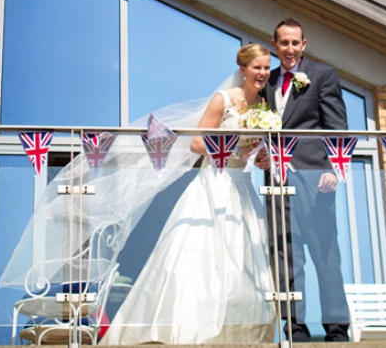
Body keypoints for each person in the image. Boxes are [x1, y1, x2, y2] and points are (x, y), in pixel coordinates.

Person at [100, 43, 276, 345]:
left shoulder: (264, 107)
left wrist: (262, 155)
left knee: (244, 257)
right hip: (215, 182)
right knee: (204, 256)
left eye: (266, 67)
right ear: (243, 70)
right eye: (257, 67)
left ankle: (237, 334)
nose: (262, 73)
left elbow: (259, 148)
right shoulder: (223, 99)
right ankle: (189, 329)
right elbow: (196, 143)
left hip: (243, 185)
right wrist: (233, 144)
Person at [258, 18, 350, 342]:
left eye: (295, 43)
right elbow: (262, 133)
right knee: (286, 255)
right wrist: (260, 155)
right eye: (284, 43)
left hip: (316, 179)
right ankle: (295, 329)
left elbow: (337, 127)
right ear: (274, 45)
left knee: (326, 255)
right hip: (278, 183)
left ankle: (337, 329)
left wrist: (333, 169)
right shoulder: (265, 83)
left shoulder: (323, 75)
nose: (290, 49)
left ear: (304, 44)